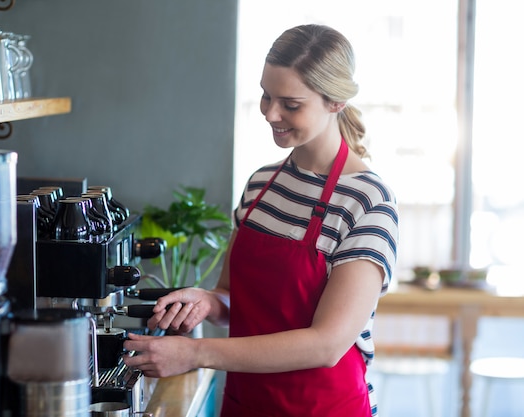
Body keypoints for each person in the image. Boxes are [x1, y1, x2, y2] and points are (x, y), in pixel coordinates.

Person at [123, 23, 399, 417]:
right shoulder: (261, 184)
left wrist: (196, 353)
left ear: (335, 102)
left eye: (291, 103)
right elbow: (232, 295)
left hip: (322, 408)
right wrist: (206, 302)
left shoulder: (367, 201)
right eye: (266, 96)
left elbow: (327, 344)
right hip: (247, 403)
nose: (271, 113)